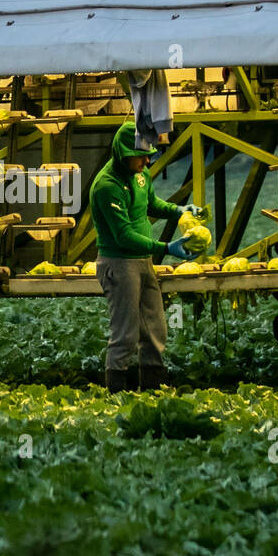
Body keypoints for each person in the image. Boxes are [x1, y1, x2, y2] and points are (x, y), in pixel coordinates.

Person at [90, 122, 201, 393]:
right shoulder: (107, 186)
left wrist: (178, 210)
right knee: (125, 334)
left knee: (155, 328)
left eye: (148, 154)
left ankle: (154, 387)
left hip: (143, 262)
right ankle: (117, 394)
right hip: (119, 263)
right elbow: (123, 236)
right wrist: (165, 248)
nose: (147, 160)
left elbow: (151, 203)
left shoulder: (141, 174)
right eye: (140, 155)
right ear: (122, 154)